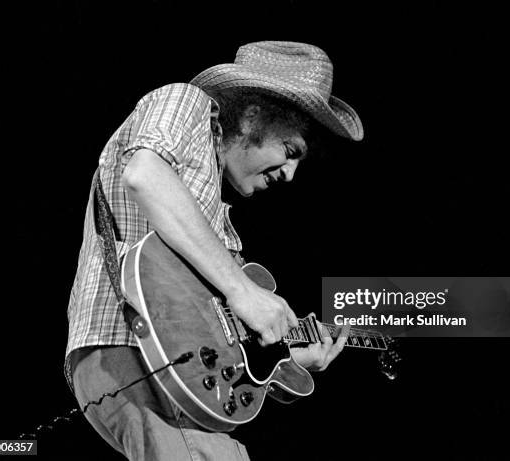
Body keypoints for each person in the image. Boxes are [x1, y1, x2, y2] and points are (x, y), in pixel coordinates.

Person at [65, 41, 364, 461]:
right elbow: (145, 174)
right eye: (290, 151)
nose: (291, 174)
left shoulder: (213, 224)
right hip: (136, 351)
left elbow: (221, 338)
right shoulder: (186, 102)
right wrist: (242, 290)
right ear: (253, 116)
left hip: (175, 374)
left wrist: (285, 355)